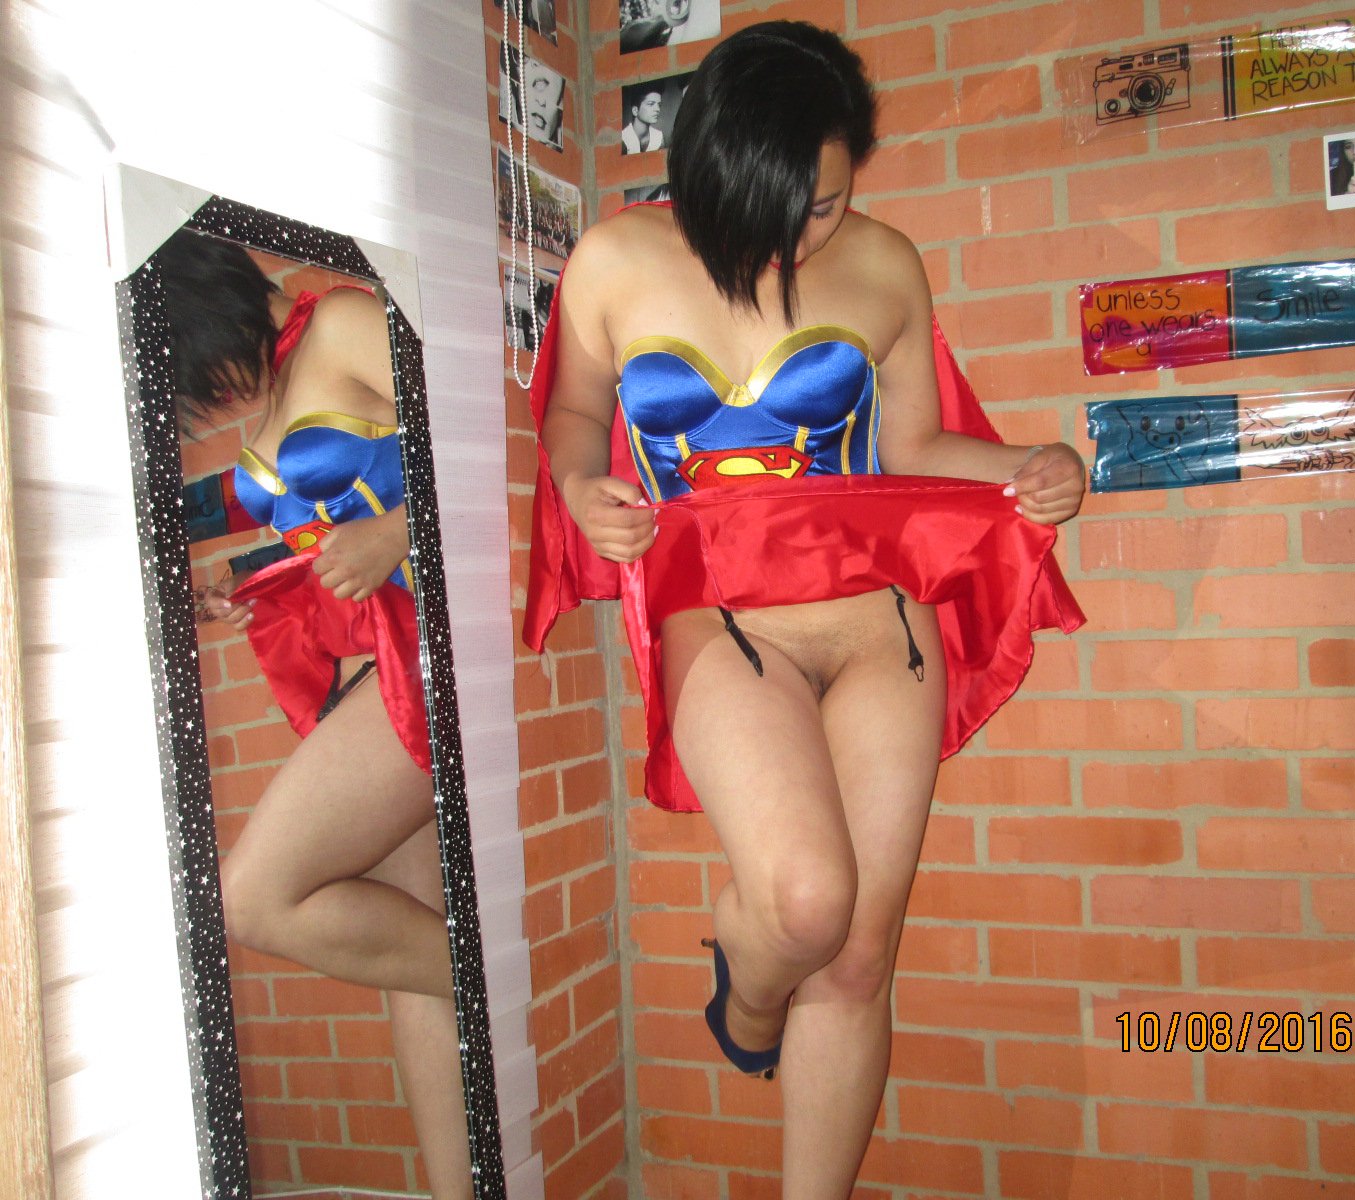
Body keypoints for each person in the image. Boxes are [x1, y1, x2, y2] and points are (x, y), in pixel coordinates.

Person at [525, 21, 1086, 1197]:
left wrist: (1032, 467)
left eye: (823, 206)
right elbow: (573, 414)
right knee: (805, 903)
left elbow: (917, 442)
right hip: (723, 619)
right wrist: (581, 487)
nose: (795, 236)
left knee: (860, 956)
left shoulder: (884, 262)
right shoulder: (614, 261)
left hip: (882, 622)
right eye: (772, 207)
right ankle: (745, 987)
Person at [155, 230, 471, 1198]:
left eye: (211, 364)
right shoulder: (270, 400)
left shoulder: (337, 323)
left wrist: (396, 531)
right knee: (413, 959)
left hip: (424, 659)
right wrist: (241, 580)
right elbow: (313, 528)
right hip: (361, 669)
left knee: (253, 897)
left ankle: (498, 978)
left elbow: (485, 431)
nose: (219, 394)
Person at [620, 88, 664, 153]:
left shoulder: (659, 137)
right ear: (635, 111)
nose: (658, 109)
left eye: (659, 105)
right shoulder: (623, 138)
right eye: (651, 104)